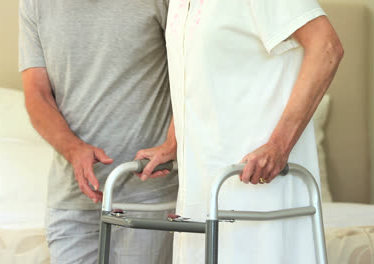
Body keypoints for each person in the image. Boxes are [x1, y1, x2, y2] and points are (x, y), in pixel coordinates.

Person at [143, 0, 344, 263]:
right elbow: (196, 77)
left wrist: (279, 145)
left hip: (259, 190)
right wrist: (173, 141)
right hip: (202, 196)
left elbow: (326, 47)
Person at [18, 0, 178, 263]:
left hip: (147, 197)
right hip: (71, 202)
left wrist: (173, 141)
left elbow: (192, 73)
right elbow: (37, 94)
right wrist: (74, 150)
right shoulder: (35, 4)